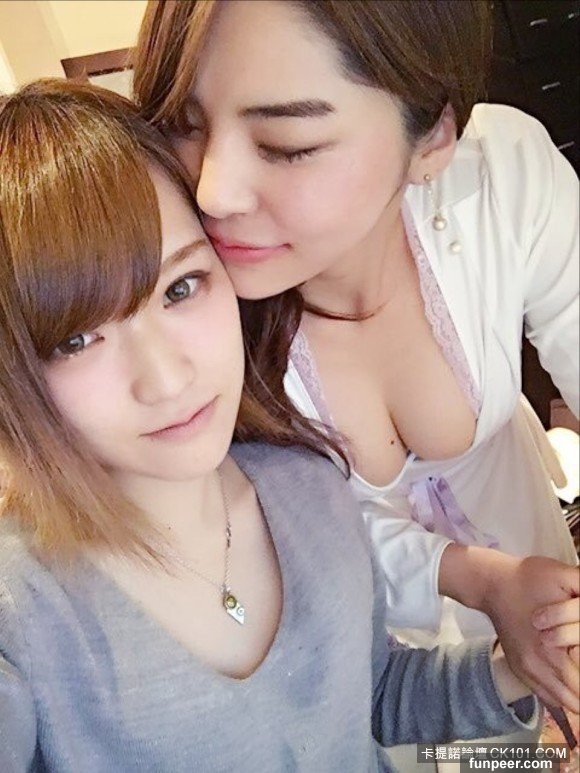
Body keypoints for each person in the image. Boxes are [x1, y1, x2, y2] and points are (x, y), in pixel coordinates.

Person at [4, 78, 571, 773]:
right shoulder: (21, 617)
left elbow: (370, 692)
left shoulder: (309, 486)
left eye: (181, 287)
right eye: (76, 340)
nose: (167, 378)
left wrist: (515, 666)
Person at [132, 0, 580, 722]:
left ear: (432, 137)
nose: (212, 191)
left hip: (530, 552)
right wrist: (473, 577)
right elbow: (258, 531)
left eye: (286, 144)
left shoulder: (497, 178)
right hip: (367, 647)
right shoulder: (176, 307)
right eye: (184, 125)